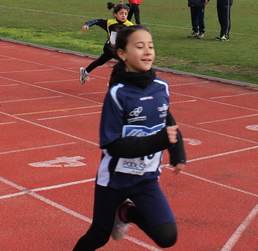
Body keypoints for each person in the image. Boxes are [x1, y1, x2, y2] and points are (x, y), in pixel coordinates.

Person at [72, 25, 186, 250]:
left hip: (146, 179)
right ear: (122, 54)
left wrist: (177, 152)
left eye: (151, 46)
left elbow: (168, 120)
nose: (148, 51)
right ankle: (118, 210)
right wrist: (160, 141)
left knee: (166, 236)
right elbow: (111, 145)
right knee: (99, 236)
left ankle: (126, 212)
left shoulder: (162, 87)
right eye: (140, 46)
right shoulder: (117, 94)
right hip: (114, 180)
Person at [78, 2, 134, 84]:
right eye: (121, 13)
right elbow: (97, 21)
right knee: (123, 62)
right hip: (110, 47)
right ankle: (114, 81)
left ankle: (85, 71)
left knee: (100, 61)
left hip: (119, 49)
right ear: (115, 14)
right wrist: (87, 25)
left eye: (125, 14)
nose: (123, 15)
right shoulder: (109, 22)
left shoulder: (129, 25)